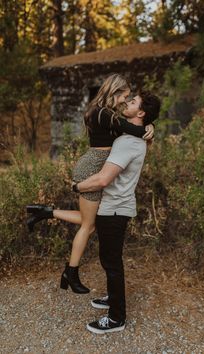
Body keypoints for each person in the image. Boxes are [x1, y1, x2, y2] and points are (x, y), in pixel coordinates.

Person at [26, 74, 154, 294]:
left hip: (94, 165)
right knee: (89, 225)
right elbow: (133, 130)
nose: (126, 100)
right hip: (92, 168)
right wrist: (150, 127)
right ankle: (71, 272)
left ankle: (45, 212)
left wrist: (148, 125)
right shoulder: (103, 113)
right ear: (116, 91)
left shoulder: (102, 111)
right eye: (125, 95)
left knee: (90, 221)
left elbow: (129, 129)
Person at [74, 91, 160, 333]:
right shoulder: (131, 136)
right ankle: (113, 299)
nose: (126, 102)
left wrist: (77, 186)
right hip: (115, 207)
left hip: (115, 209)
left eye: (132, 102)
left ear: (140, 112)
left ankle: (116, 318)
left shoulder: (127, 142)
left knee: (111, 263)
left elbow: (102, 180)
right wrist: (150, 126)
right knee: (109, 260)